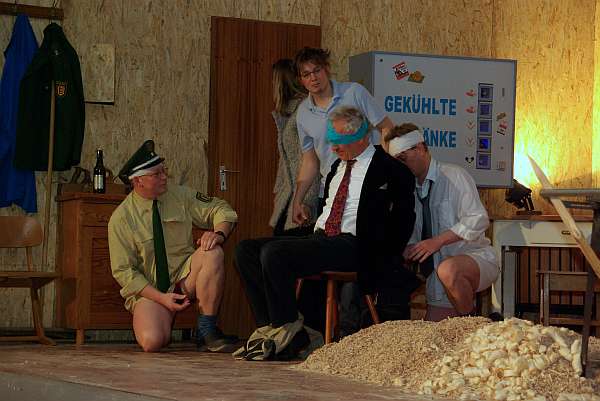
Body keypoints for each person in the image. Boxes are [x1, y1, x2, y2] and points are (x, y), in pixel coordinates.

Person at [234, 106, 415, 358]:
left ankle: (289, 334)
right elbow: (330, 209)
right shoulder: (337, 167)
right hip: (323, 236)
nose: (334, 147)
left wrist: (385, 256)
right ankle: (277, 328)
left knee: (275, 253)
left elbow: (404, 220)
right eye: (332, 140)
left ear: (361, 137)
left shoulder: (392, 170)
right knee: (246, 250)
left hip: (356, 244)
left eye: (339, 140)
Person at [291, 47, 396, 335]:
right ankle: (321, 332)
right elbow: (310, 160)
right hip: (331, 188)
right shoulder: (303, 113)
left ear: (327, 69)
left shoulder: (354, 93)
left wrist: (384, 171)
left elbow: (386, 128)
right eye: (306, 74)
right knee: (322, 256)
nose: (313, 78)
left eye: (317, 71)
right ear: (300, 80)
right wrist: (298, 199)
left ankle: (350, 331)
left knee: (355, 254)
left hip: (364, 184)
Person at [108, 140, 239, 352]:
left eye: (164, 171)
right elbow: (124, 272)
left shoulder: (180, 196)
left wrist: (218, 234)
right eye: (157, 174)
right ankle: (162, 319)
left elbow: (221, 208)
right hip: (151, 291)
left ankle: (206, 330)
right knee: (151, 341)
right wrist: (161, 299)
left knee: (212, 253)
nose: (164, 177)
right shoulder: (121, 218)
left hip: (184, 278)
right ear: (138, 181)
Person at [384, 123, 500, 321]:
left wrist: (437, 241)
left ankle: (472, 324)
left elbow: (478, 219)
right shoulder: (408, 190)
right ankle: (473, 324)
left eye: (403, 159)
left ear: (420, 148)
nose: (400, 166)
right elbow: (415, 235)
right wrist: (408, 249)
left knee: (448, 269)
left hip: (474, 259)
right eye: (396, 162)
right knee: (436, 334)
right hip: (437, 277)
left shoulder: (454, 175)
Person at [269, 59, 319, 236]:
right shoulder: (289, 114)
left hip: (302, 198)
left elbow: (311, 160)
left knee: (281, 247)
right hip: (288, 196)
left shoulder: (304, 111)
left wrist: (306, 202)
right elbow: (286, 160)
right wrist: (279, 190)